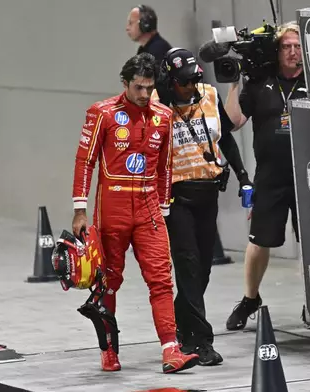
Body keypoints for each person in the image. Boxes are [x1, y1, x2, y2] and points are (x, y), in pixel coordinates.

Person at [71, 52, 199, 373]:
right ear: (125, 83)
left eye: (149, 87)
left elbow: (165, 167)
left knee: (161, 280)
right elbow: (85, 161)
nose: (144, 94)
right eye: (138, 87)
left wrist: (164, 207)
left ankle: (171, 351)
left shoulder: (164, 116)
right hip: (110, 212)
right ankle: (109, 352)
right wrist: (79, 209)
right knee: (107, 282)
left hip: (149, 213)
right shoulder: (102, 113)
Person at [150, 47, 252, 365]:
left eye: (193, 80)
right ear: (170, 81)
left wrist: (244, 177)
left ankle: (182, 324)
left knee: (203, 270)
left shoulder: (207, 94)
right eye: (183, 83)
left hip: (209, 192)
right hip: (176, 198)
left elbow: (224, 138)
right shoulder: (158, 105)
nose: (190, 87)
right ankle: (199, 341)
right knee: (189, 266)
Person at [222, 21, 306, 330]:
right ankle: (250, 298)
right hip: (271, 176)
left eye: (297, 46)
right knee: (259, 242)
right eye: (286, 46)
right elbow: (233, 122)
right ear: (277, 50)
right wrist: (234, 82)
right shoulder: (260, 83)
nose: (292, 51)